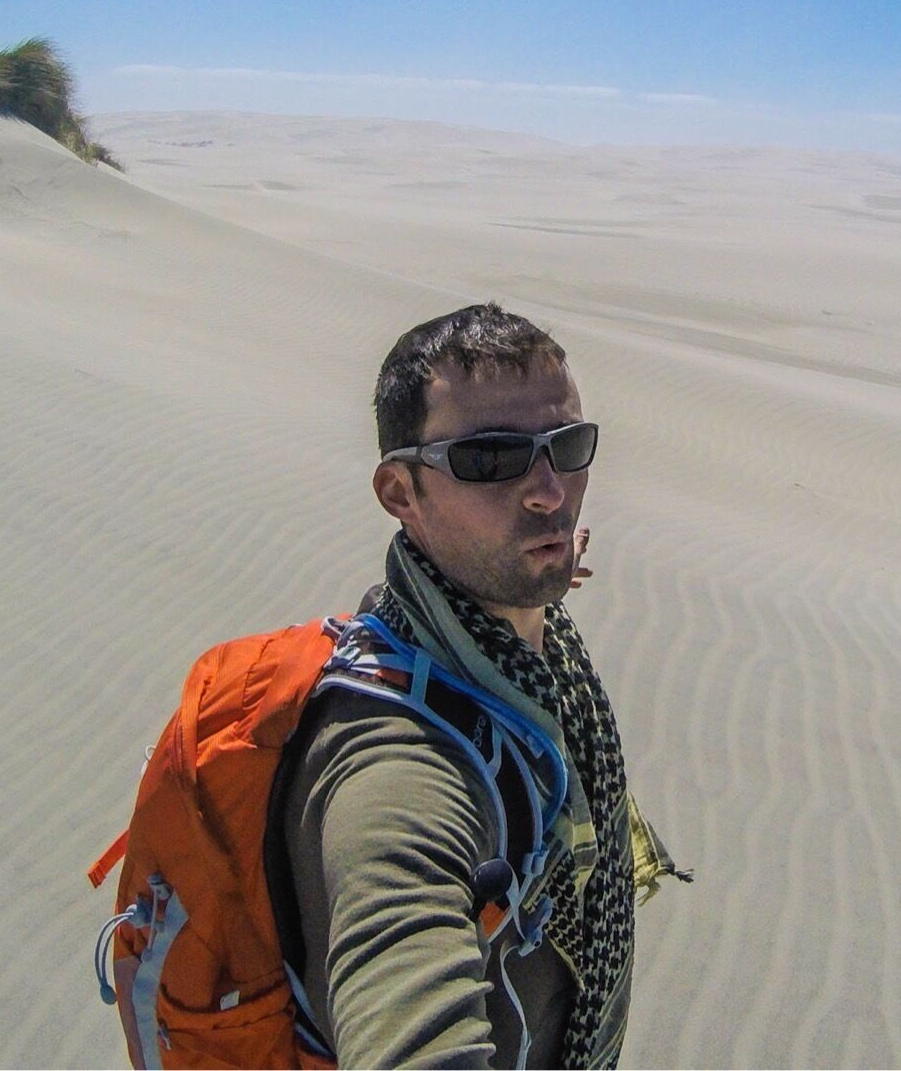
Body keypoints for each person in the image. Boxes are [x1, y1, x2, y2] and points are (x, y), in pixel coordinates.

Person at [273, 302, 688, 1069]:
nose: (550, 493)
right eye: (491, 460)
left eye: (568, 448)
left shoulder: (488, 614)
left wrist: (545, 559)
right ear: (400, 493)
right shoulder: (397, 768)